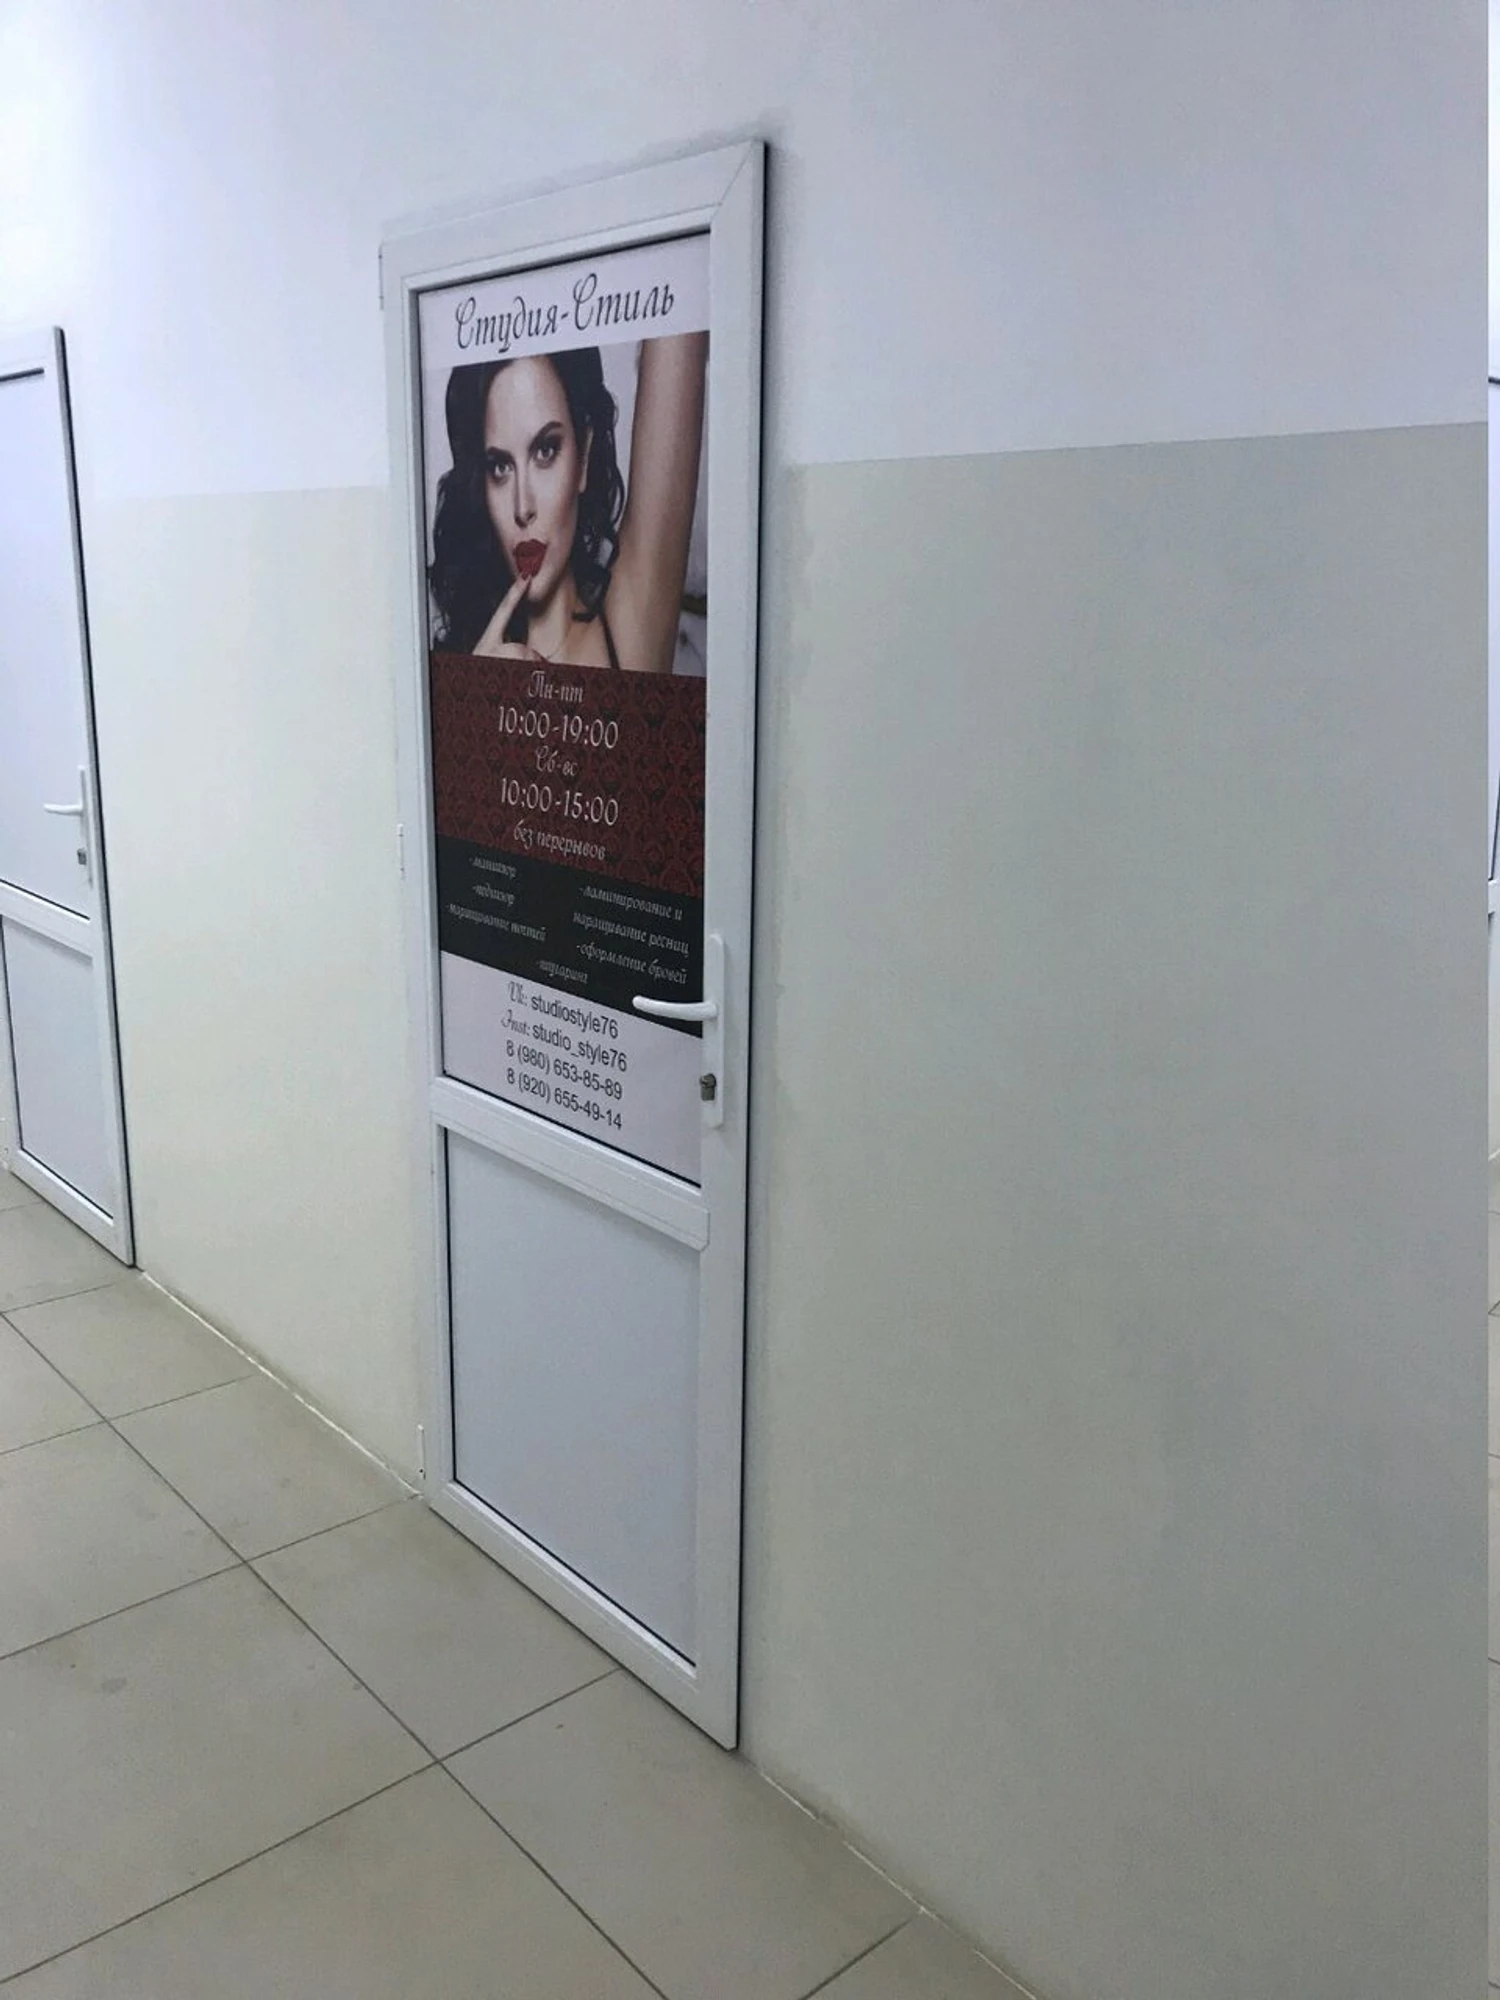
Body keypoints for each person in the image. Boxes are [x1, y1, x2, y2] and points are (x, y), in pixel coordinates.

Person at [428, 333, 707, 674]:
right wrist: (477, 691)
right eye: (500, 467)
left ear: (583, 457)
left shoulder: (631, 624)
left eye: (545, 451)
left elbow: (678, 332)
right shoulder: (460, 658)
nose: (523, 508)